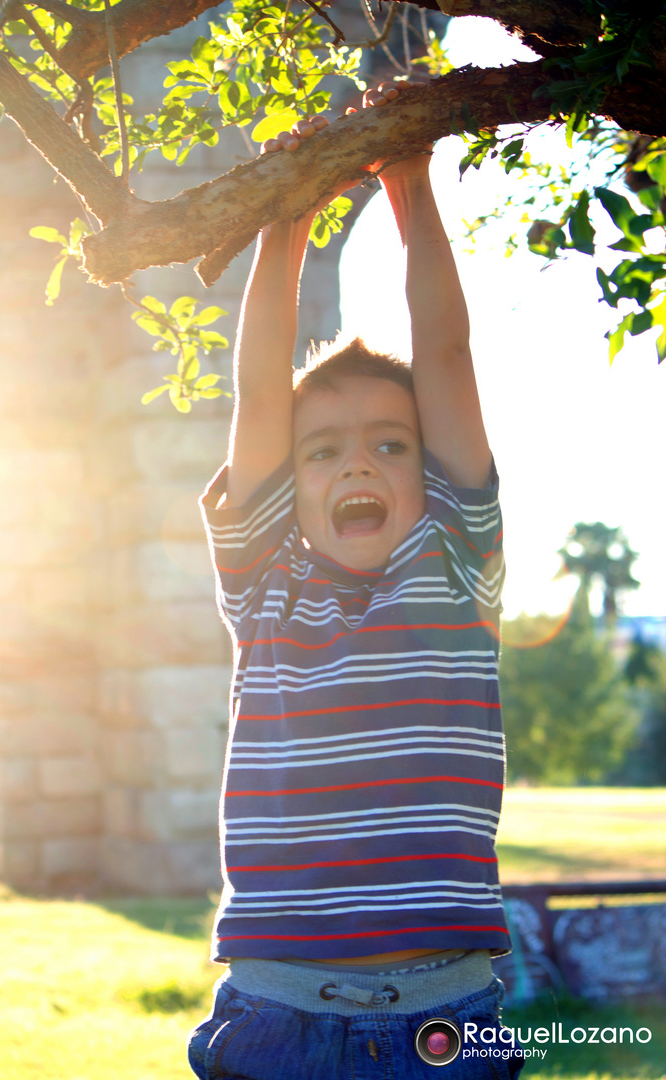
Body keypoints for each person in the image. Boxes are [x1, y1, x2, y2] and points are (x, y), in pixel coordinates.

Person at [188, 84, 524, 1080]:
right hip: (277, 1014)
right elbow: (258, 394)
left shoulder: (458, 561)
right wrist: (285, 222)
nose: (359, 466)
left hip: (445, 1022)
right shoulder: (266, 582)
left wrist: (411, 187)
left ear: (427, 475)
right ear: (292, 488)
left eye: (389, 445)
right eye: (324, 452)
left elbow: (448, 357)